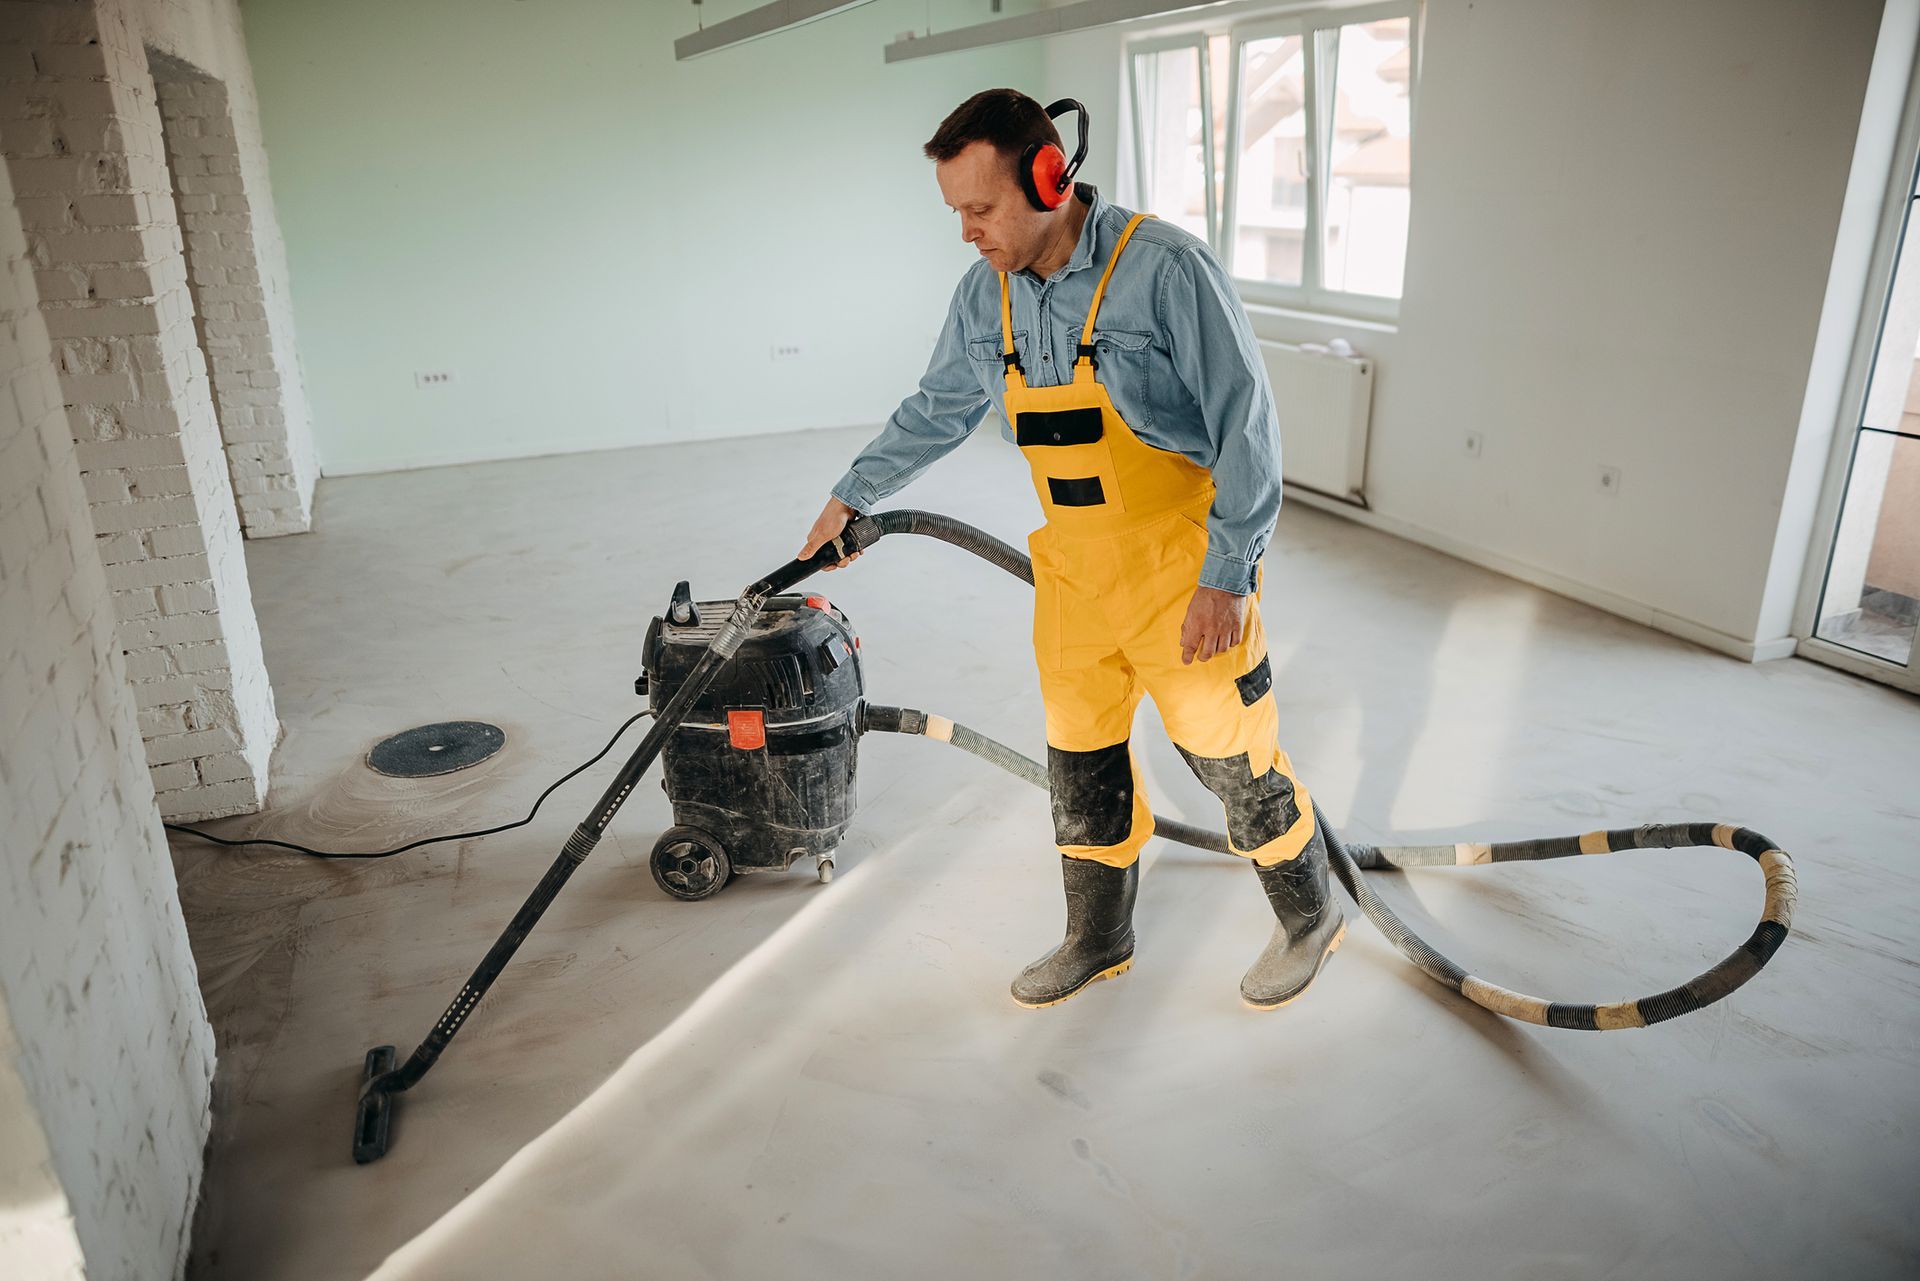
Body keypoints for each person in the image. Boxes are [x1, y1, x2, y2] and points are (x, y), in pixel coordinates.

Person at [798, 88, 1343, 1010]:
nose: (967, 232)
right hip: (1073, 574)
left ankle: (1309, 914)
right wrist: (852, 495)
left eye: (981, 208)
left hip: (1181, 564)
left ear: (1050, 178)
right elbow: (937, 408)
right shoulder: (985, 297)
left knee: (1231, 757)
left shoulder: (1164, 269)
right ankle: (1099, 935)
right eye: (955, 212)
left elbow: (1247, 422)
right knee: (1080, 761)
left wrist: (1229, 574)